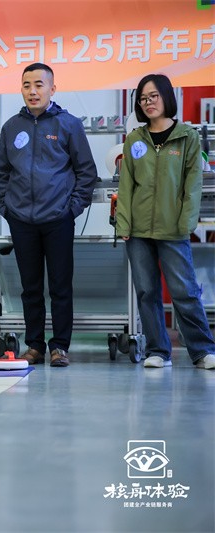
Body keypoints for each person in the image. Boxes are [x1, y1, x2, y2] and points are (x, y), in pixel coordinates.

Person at [0, 62, 98, 367]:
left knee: (61, 286)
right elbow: (1, 173)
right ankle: (35, 345)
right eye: (27, 85)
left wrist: (72, 208)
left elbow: (86, 172)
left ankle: (60, 346)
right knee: (30, 287)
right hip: (22, 220)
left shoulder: (69, 124)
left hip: (58, 219)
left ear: (53, 88)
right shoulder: (12, 127)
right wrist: (6, 207)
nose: (33, 91)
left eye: (39, 85)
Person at [116, 73, 215, 370]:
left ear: (166, 97)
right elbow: (126, 186)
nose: (148, 103)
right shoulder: (134, 139)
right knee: (147, 292)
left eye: (153, 96)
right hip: (137, 230)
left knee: (184, 291)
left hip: (173, 228)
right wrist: (123, 224)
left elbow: (192, 185)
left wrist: (186, 222)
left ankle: (202, 350)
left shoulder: (187, 137)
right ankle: (158, 350)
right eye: (143, 99)